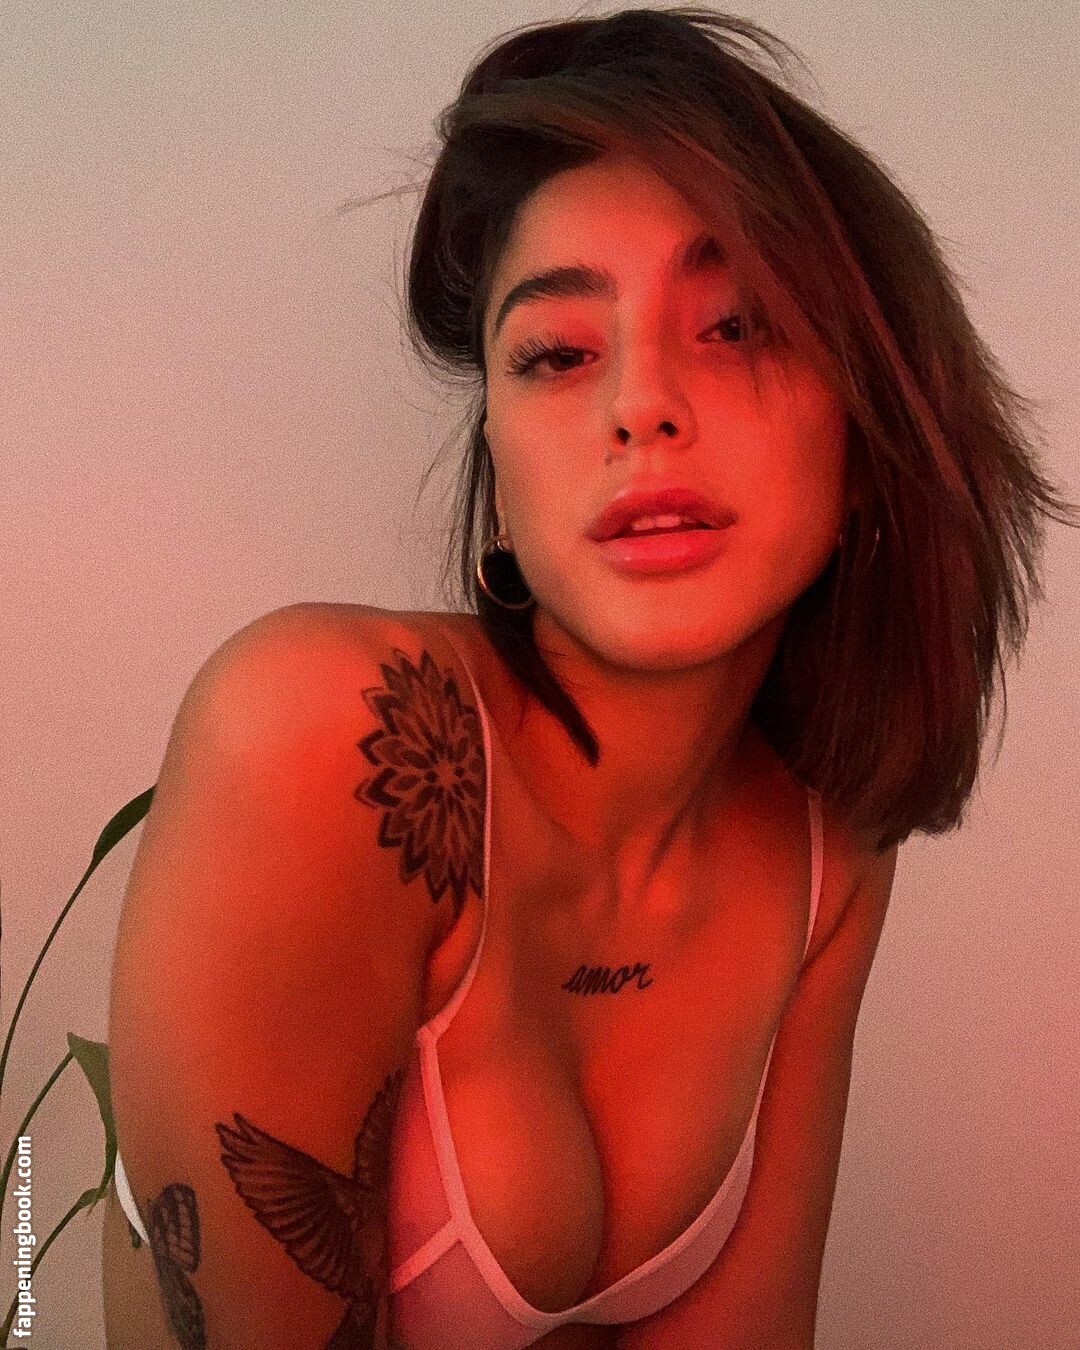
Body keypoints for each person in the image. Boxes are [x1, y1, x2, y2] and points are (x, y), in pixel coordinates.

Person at [100, 8, 1078, 1349]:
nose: (640, 405)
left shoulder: (826, 852)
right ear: (501, 485)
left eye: (736, 324)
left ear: (869, 439)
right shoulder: (325, 729)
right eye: (558, 353)